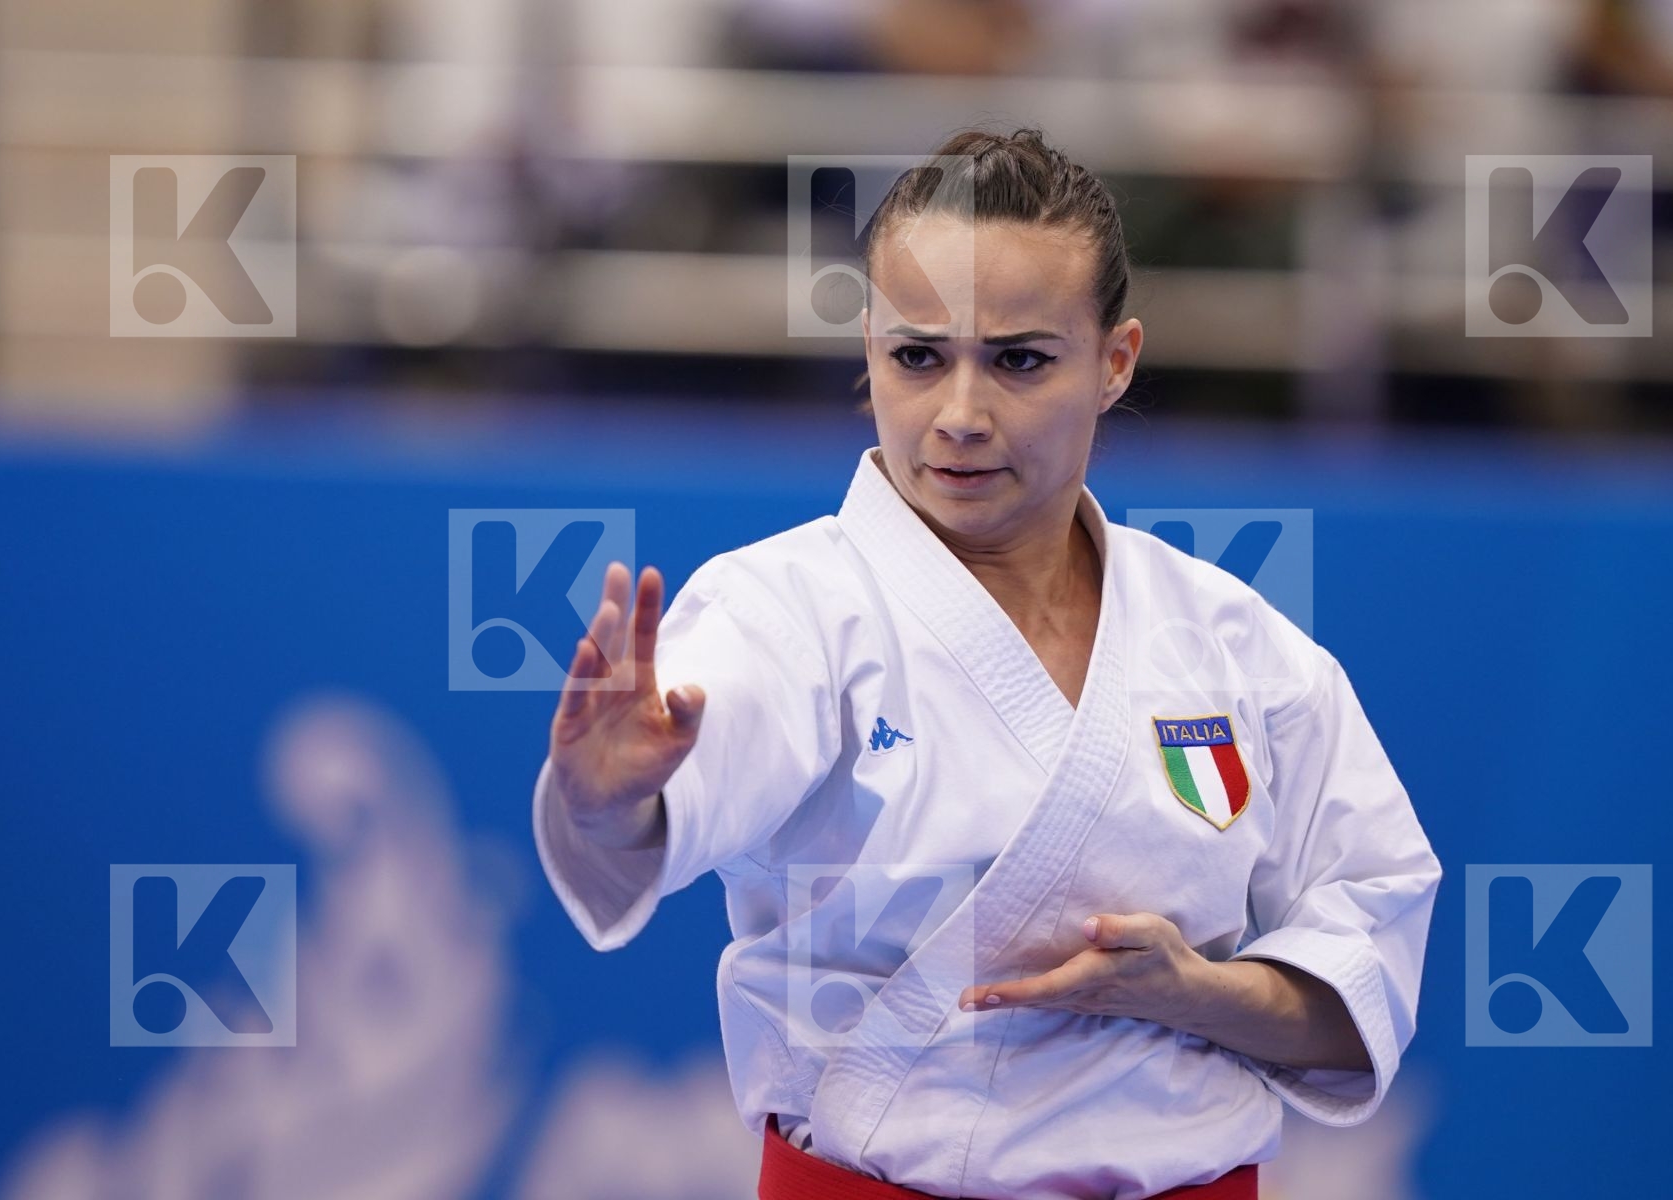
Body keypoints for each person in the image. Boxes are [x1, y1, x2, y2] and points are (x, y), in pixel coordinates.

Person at [532, 127, 1441, 1200]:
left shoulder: (1233, 645)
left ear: (1115, 363)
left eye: (1019, 360)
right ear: (869, 349)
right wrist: (606, 799)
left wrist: (1193, 991)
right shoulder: (788, 611)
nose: (961, 416)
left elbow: (1365, 982)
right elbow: (691, 766)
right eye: (919, 356)